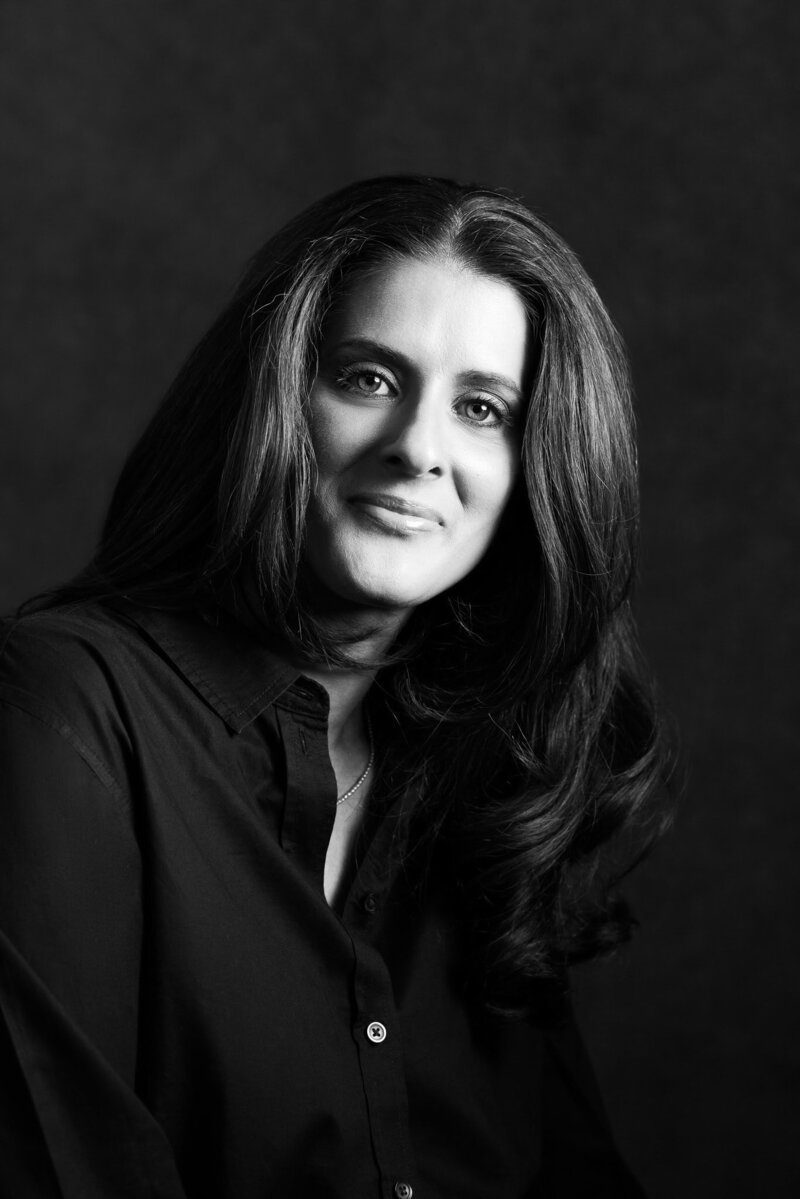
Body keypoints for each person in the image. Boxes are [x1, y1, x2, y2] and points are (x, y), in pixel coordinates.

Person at [0, 175, 671, 1198]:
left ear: (541, 466)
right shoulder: (61, 717)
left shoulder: (490, 784)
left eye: (482, 408)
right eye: (367, 378)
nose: (418, 449)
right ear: (273, 397)